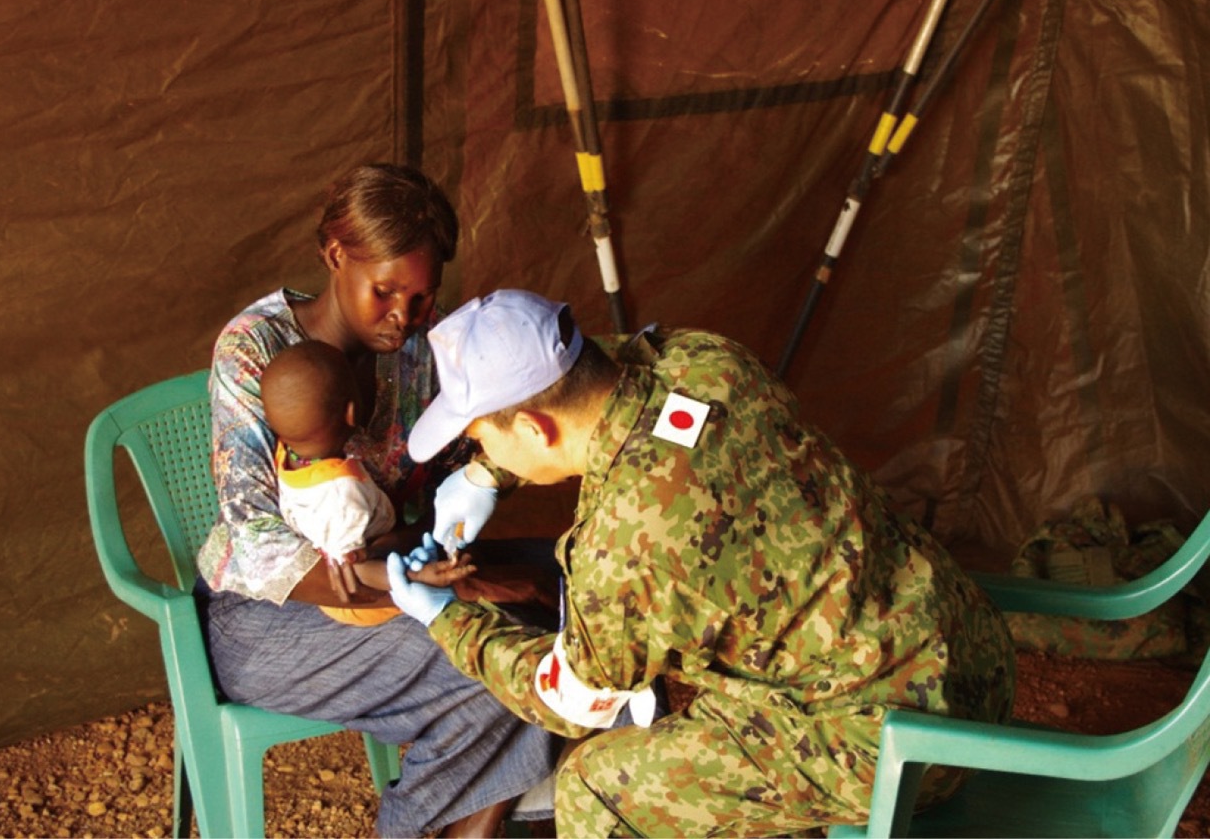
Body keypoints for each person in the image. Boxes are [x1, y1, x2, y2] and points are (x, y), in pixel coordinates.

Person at [386, 289, 1018, 837]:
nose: (480, 448)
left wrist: (447, 619)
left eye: (479, 437)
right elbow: (593, 366)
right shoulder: (706, 361)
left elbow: (571, 700)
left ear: (532, 429)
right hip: (970, 650)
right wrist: (488, 473)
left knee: (593, 789)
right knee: (715, 684)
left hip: (900, 746)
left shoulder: (624, 545)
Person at [194, 166, 560, 838]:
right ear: (336, 256)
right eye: (386, 291)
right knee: (494, 653)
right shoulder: (256, 352)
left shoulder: (425, 346)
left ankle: (520, 814)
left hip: (404, 570)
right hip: (276, 616)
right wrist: (462, 589)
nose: (405, 317)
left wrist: (482, 485)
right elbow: (257, 545)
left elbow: (483, 449)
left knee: (580, 587)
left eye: (422, 297)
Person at [260, 338, 559, 627]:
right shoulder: (341, 493)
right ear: (352, 412)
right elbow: (355, 570)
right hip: (374, 590)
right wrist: (417, 577)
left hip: (382, 550)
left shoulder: (289, 454)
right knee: (508, 592)